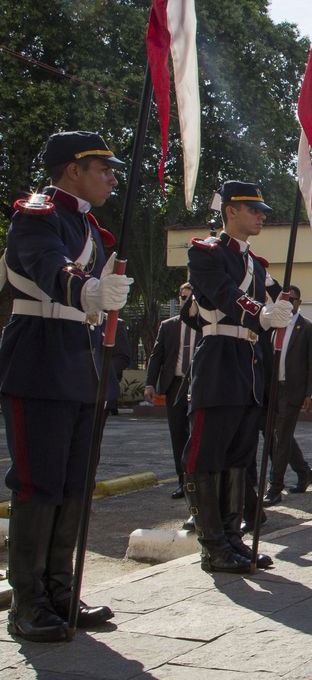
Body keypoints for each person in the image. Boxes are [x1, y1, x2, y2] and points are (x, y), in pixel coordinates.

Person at [0, 131, 130, 642]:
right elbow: (47, 264)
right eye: (104, 168)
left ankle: (60, 590)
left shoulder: (87, 225)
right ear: (72, 170)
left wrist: (103, 296)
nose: (113, 177)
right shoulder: (38, 213)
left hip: (78, 355)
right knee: (39, 482)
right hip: (40, 351)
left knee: (75, 482)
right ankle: (28, 601)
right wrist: (89, 288)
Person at [182, 181, 291, 574]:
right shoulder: (205, 252)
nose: (261, 215)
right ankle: (212, 544)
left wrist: (278, 309)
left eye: (262, 210)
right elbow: (222, 292)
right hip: (219, 358)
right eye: (253, 209)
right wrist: (260, 313)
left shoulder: (257, 265)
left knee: (238, 457)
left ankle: (233, 538)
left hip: (249, 362)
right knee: (206, 454)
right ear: (230, 210)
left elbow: (274, 302)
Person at [262, 285, 312, 506]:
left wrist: (310, 393)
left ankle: (275, 487)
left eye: (293, 300)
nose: (289, 304)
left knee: (281, 438)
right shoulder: (270, 326)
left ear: (299, 302)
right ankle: (304, 472)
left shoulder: (308, 328)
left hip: (292, 390)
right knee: (273, 435)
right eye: (284, 300)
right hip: (271, 388)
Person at [145, 282, 198, 500]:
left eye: (189, 297)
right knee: (178, 434)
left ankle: (197, 482)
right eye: (181, 297)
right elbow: (157, 356)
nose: (184, 300)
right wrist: (150, 383)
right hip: (174, 385)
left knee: (197, 435)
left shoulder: (203, 325)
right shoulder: (168, 326)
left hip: (197, 384)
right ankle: (182, 482)